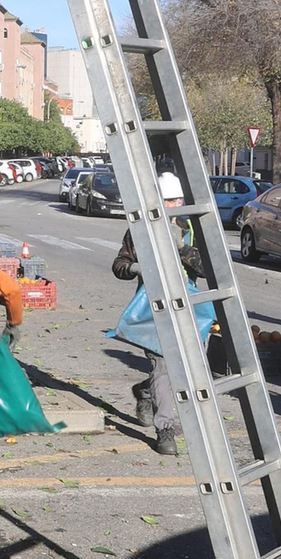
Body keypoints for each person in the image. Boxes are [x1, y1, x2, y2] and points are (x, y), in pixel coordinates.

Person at [112, 171, 203, 458]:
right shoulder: (140, 230)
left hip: (190, 310)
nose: (170, 206)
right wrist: (135, 268)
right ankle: (165, 431)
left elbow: (206, 268)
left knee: (185, 370)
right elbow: (119, 264)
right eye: (164, 201)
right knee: (161, 369)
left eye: (174, 201)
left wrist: (181, 247)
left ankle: (145, 392)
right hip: (154, 310)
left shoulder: (194, 228)